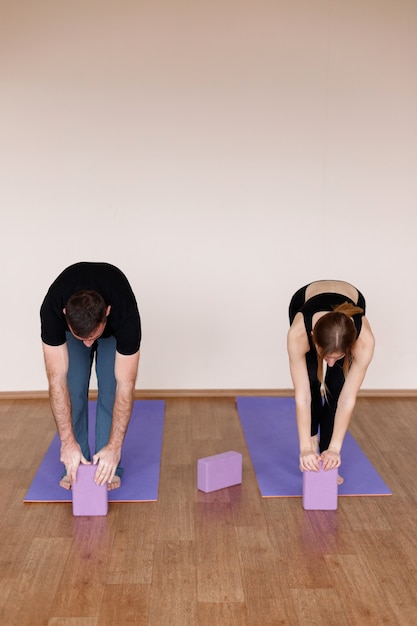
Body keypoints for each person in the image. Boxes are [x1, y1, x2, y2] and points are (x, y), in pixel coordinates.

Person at [40, 262, 141, 491]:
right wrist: (66, 442)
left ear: (107, 312)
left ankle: (109, 463)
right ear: (65, 314)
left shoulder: (125, 315)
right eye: (82, 338)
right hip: (78, 325)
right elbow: (55, 380)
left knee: (110, 390)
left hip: (112, 332)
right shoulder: (52, 309)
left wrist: (115, 445)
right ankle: (75, 463)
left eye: (92, 337)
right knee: (72, 390)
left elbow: (126, 385)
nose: (88, 344)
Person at [287, 280, 374, 479]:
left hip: (351, 297)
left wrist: (335, 449)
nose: (331, 363)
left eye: (339, 357)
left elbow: (347, 399)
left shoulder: (364, 340)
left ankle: (327, 457)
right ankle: (313, 442)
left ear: (350, 346)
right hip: (304, 299)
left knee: (336, 388)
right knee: (311, 382)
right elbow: (303, 397)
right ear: (312, 338)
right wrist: (305, 448)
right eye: (326, 356)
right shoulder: (299, 334)